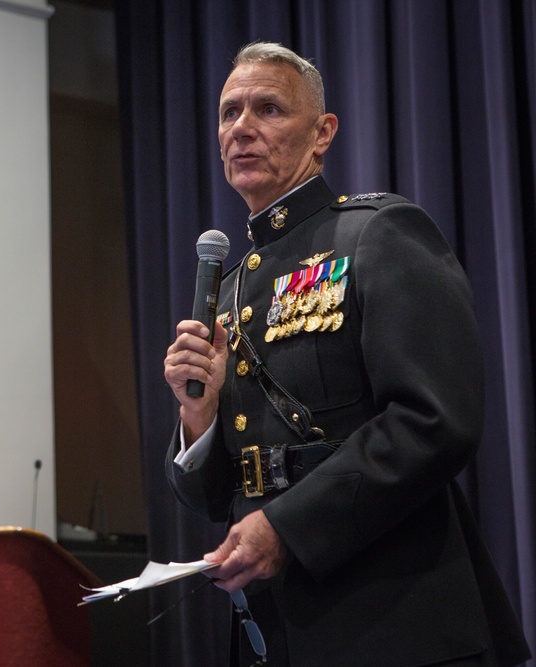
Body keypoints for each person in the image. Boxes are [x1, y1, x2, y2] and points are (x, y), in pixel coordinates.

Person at [163, 41, 531, 666]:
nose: (242, 129)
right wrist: (198, 420)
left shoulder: (377, 234)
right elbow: (219, 495)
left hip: (394, 618)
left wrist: (286, 527)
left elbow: (434, 421)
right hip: (276, 627)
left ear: (323, 131)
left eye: (269, 109)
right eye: (229, 113)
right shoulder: (229, 288)